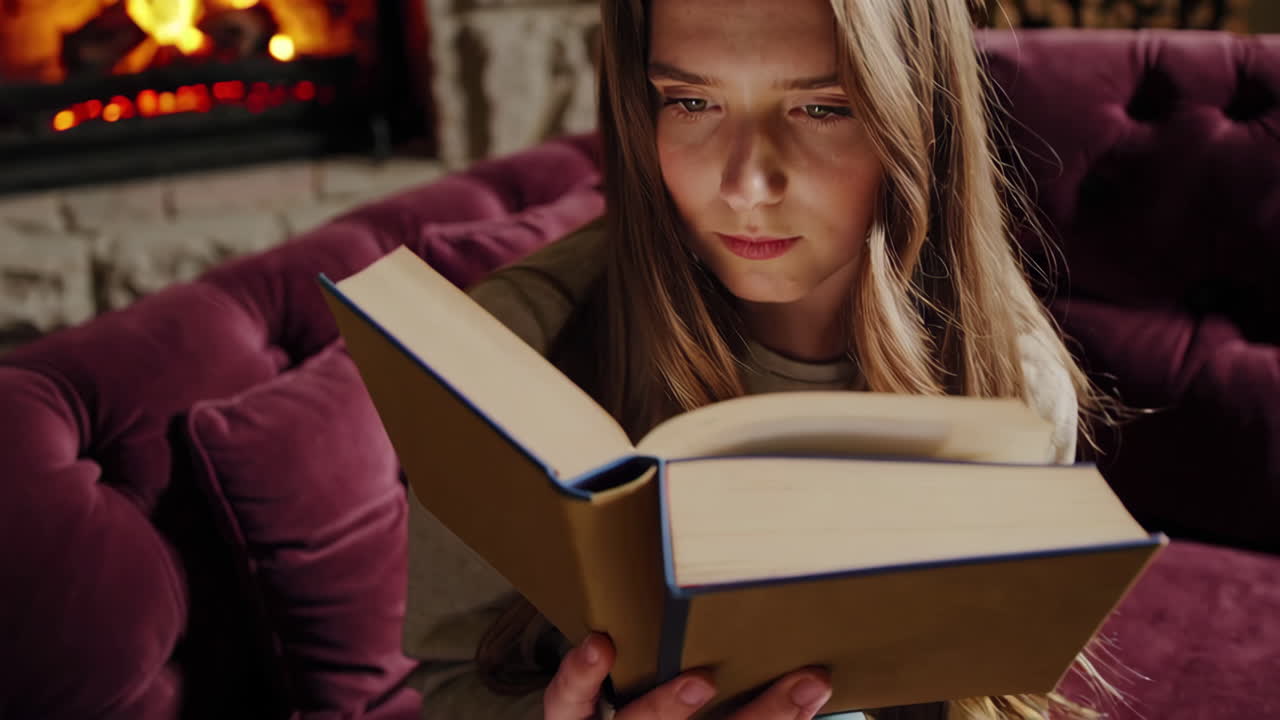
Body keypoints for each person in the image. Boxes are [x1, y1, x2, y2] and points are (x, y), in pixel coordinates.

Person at [402, 0, 1116, 718]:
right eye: (691, 101)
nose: (745, 185)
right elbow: (451, 684)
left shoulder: (1012, 386)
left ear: (921, 117)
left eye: (822, 108)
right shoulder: (512, 348)